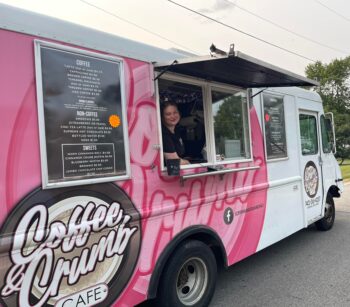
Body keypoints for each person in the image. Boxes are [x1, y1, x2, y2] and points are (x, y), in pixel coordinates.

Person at [161, 101, 190, 165]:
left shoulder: (176, 131)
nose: (173, 116)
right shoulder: (163, 134)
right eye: (168, 114)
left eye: (175, 112)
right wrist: (188, 163)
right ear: (162, 117)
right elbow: (174, 161)